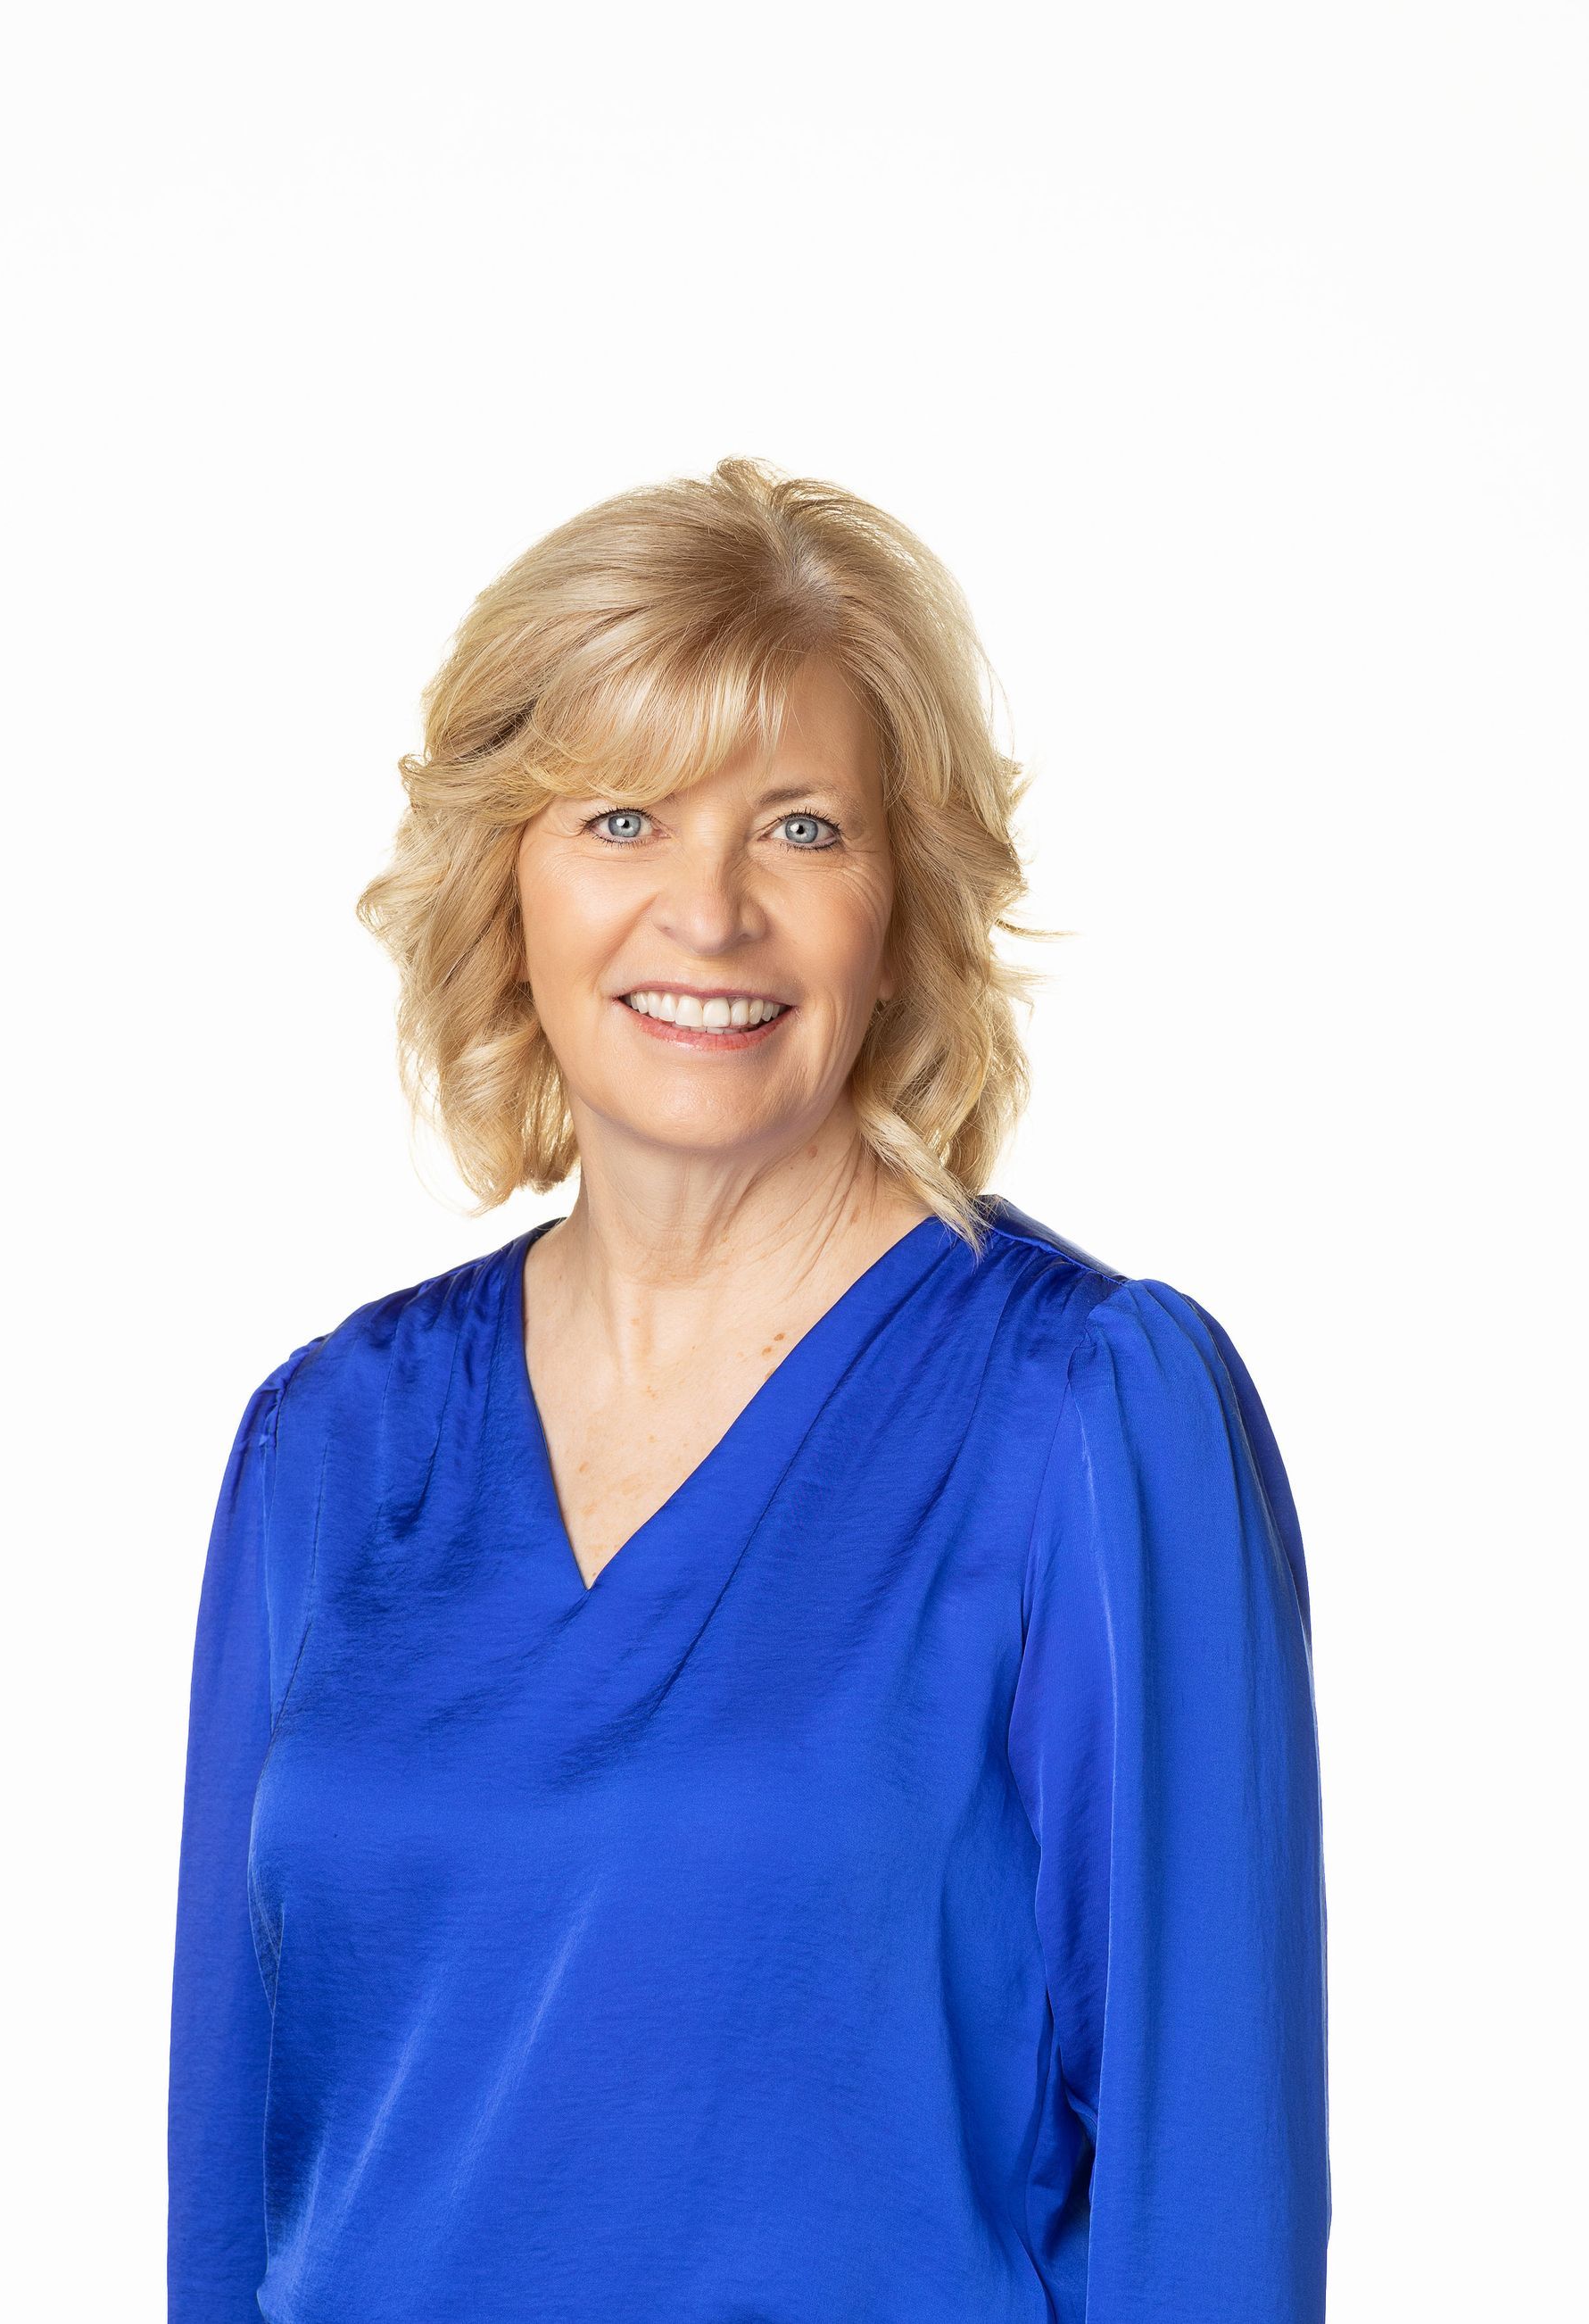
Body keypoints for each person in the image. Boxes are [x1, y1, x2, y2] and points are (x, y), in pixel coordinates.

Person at [167, 456, 1331, 2322]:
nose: (706, 915)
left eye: (800, 829)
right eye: (621, 818)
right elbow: (236, 2191)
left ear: (904, 903)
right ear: (506, 883)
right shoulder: (332, 1445)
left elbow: (1211, 2208)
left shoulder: (1082, 1420)